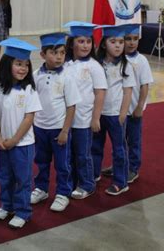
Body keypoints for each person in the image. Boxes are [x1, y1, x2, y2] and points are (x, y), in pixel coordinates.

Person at [0, 38, 42, 229]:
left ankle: (23, 211)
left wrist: (14, 140)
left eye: (26, 65)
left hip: (22, 145)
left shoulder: (29, 90)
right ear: (7, 64)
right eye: (18, 64)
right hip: (3, 144)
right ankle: (7, 205)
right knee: (4, 176)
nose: (23, 69)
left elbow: (29, 118)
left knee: (22, 179)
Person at [31, 32, 81, 212]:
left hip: (58, 129)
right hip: (40, 127)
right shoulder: (36, 75)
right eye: (53, 53)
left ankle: (63, 192)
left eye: (61, 52)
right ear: (43, 55)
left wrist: (65, 131)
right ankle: (41, 188)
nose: (59, 57)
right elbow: (32, 102)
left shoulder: (67, 77)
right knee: (41, 160)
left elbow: (71, 106)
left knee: (62, 164)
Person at [101, 24, 153, 184]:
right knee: (120, 142)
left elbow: (145, 85)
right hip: (118, 110)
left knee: (133, 140)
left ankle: (133, 168)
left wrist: (139, 106)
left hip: (133, 111)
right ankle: (119, 167)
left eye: (135, 39)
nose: (131, 43)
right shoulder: (116, 60)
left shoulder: (141, 60)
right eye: (127, 39)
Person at [63, 21, 108, 200]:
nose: (85, 45)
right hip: (67, 120)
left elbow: (100, 93)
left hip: (83, 120)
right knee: (69, 155)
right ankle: (72, 182)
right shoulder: (66, 64)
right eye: (81, 41)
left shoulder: (94, 66)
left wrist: (96, 118)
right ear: (72, 43)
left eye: (88, 41)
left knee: (83, 154)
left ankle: (87, 184)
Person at [92, 25, 136, 196]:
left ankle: (121, 181)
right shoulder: (97, 65)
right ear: (104, 44)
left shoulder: (126, 66)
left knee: (118, 149)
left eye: (120, 42)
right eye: (113, 42)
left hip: (116, 115)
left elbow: (128, 92)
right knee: (95, 145)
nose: (118, 45)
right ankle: (94, 174)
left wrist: (123, 113)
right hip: (99, 114)